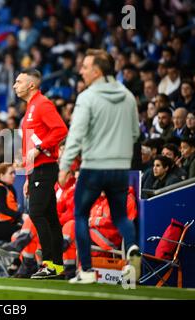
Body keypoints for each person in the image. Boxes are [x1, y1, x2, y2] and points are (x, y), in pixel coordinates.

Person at [58, 49, 141, 284]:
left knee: (80, 216)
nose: (81, 71)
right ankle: (132, 248)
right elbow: (135, 133)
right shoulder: (127, 96)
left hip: (94, 166)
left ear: (97, 71)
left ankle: (86, 271)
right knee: (121, 217)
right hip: (120, 168)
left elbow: (75, 135)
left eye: (84, 67)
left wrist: (65, 166)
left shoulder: (87, 97)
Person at [13, 68, 68, 279]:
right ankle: (58, 266)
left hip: (45, 167)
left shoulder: (42, 104)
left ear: (31, 85)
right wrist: (28, 177)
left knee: (36, 213)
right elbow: (29, 148)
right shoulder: (30, 107)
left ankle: (49, 264)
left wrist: (41, 147)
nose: (15, 85)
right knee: (50, 217)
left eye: (19, 81)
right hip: (37, 170)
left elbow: (61, 130)